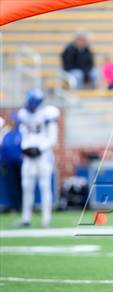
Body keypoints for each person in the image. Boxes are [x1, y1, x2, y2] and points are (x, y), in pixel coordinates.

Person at [17, 89, 60, 227]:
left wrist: (40, 148)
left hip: (43, 156)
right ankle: (26, 218)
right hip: (29, 156)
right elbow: (23, 134)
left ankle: (46, 219)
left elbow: (53, 138)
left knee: (44, 186)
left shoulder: (47, 114)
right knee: (26, 186)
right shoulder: (23, 114)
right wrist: (25, 147)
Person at [0, 113, 23, 213]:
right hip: (9, 165)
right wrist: (3, 162)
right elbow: (3, 149)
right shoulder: (7, 134)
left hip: (20, 164)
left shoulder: (22, 133)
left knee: (22, 185)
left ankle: (23, 206)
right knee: (12, 186)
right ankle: (14, 206)